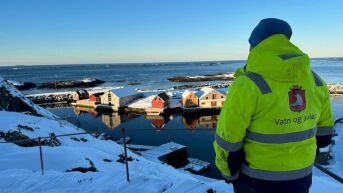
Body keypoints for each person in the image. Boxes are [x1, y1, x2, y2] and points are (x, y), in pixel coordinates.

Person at [213, 18, 334, 193]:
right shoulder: (316, 81)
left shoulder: (247, 84)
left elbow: (228, 140)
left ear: (254, 46)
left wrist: (228, 173)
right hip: (301, 177)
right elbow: (324, 137)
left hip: (256, 180)